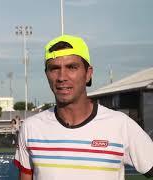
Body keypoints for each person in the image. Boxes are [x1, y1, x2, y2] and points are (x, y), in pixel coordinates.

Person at [14, 34, 153, 180]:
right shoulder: (31, 128)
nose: (62, 76)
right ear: (46, 74)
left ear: (88, 74)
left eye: (72, 67)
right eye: (54, 68)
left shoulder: (120, 125)